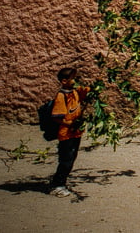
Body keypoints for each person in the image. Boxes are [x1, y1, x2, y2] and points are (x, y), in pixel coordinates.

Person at [48, 67, 89, 198]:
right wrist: (70, 123)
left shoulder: (75, 92)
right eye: (73, 79)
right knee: (66, 160)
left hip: (75, 132)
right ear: (64, 81)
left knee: (71, 158)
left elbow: (86, 93)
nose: (76, 81)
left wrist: (97, 85)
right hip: (66, 134)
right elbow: (56, 117)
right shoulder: (61, 96)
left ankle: (60, 182)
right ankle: (57, 185)